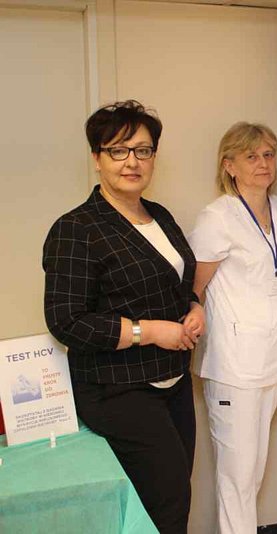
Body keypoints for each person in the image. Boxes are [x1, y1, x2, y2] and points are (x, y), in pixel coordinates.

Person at [42, 100, 202, 534]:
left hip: (173, 380)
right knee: (168, 503)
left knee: (173, 496)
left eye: (143, 150)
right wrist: (148, 331)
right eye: (118, 150)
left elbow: (175, 283)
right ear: (97, 158)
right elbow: (67, 321)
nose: (132, 161)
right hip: (117, 389)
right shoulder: (76, 229)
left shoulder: (160, 216)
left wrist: (193, 307)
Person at [189, 122, 277, 534]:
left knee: (254, 470)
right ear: (229, 165)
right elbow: (193, 290)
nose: (263, 163)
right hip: (234, 364)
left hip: (275, 357)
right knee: (236, 475)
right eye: (251, 156)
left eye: (268, 155)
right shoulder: (217, 218)